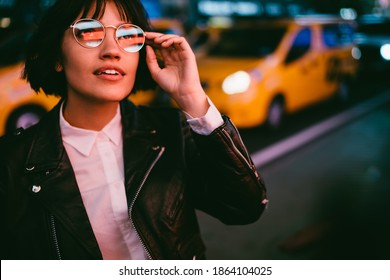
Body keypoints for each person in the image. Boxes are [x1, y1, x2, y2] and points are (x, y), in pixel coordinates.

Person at [0, 0, 267, 260]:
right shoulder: (12, 162)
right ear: (57, 56)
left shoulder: (170, 132)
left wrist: (192, 98)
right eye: (89, 31)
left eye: (127, 35)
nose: (112, 50)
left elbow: (244, 208)